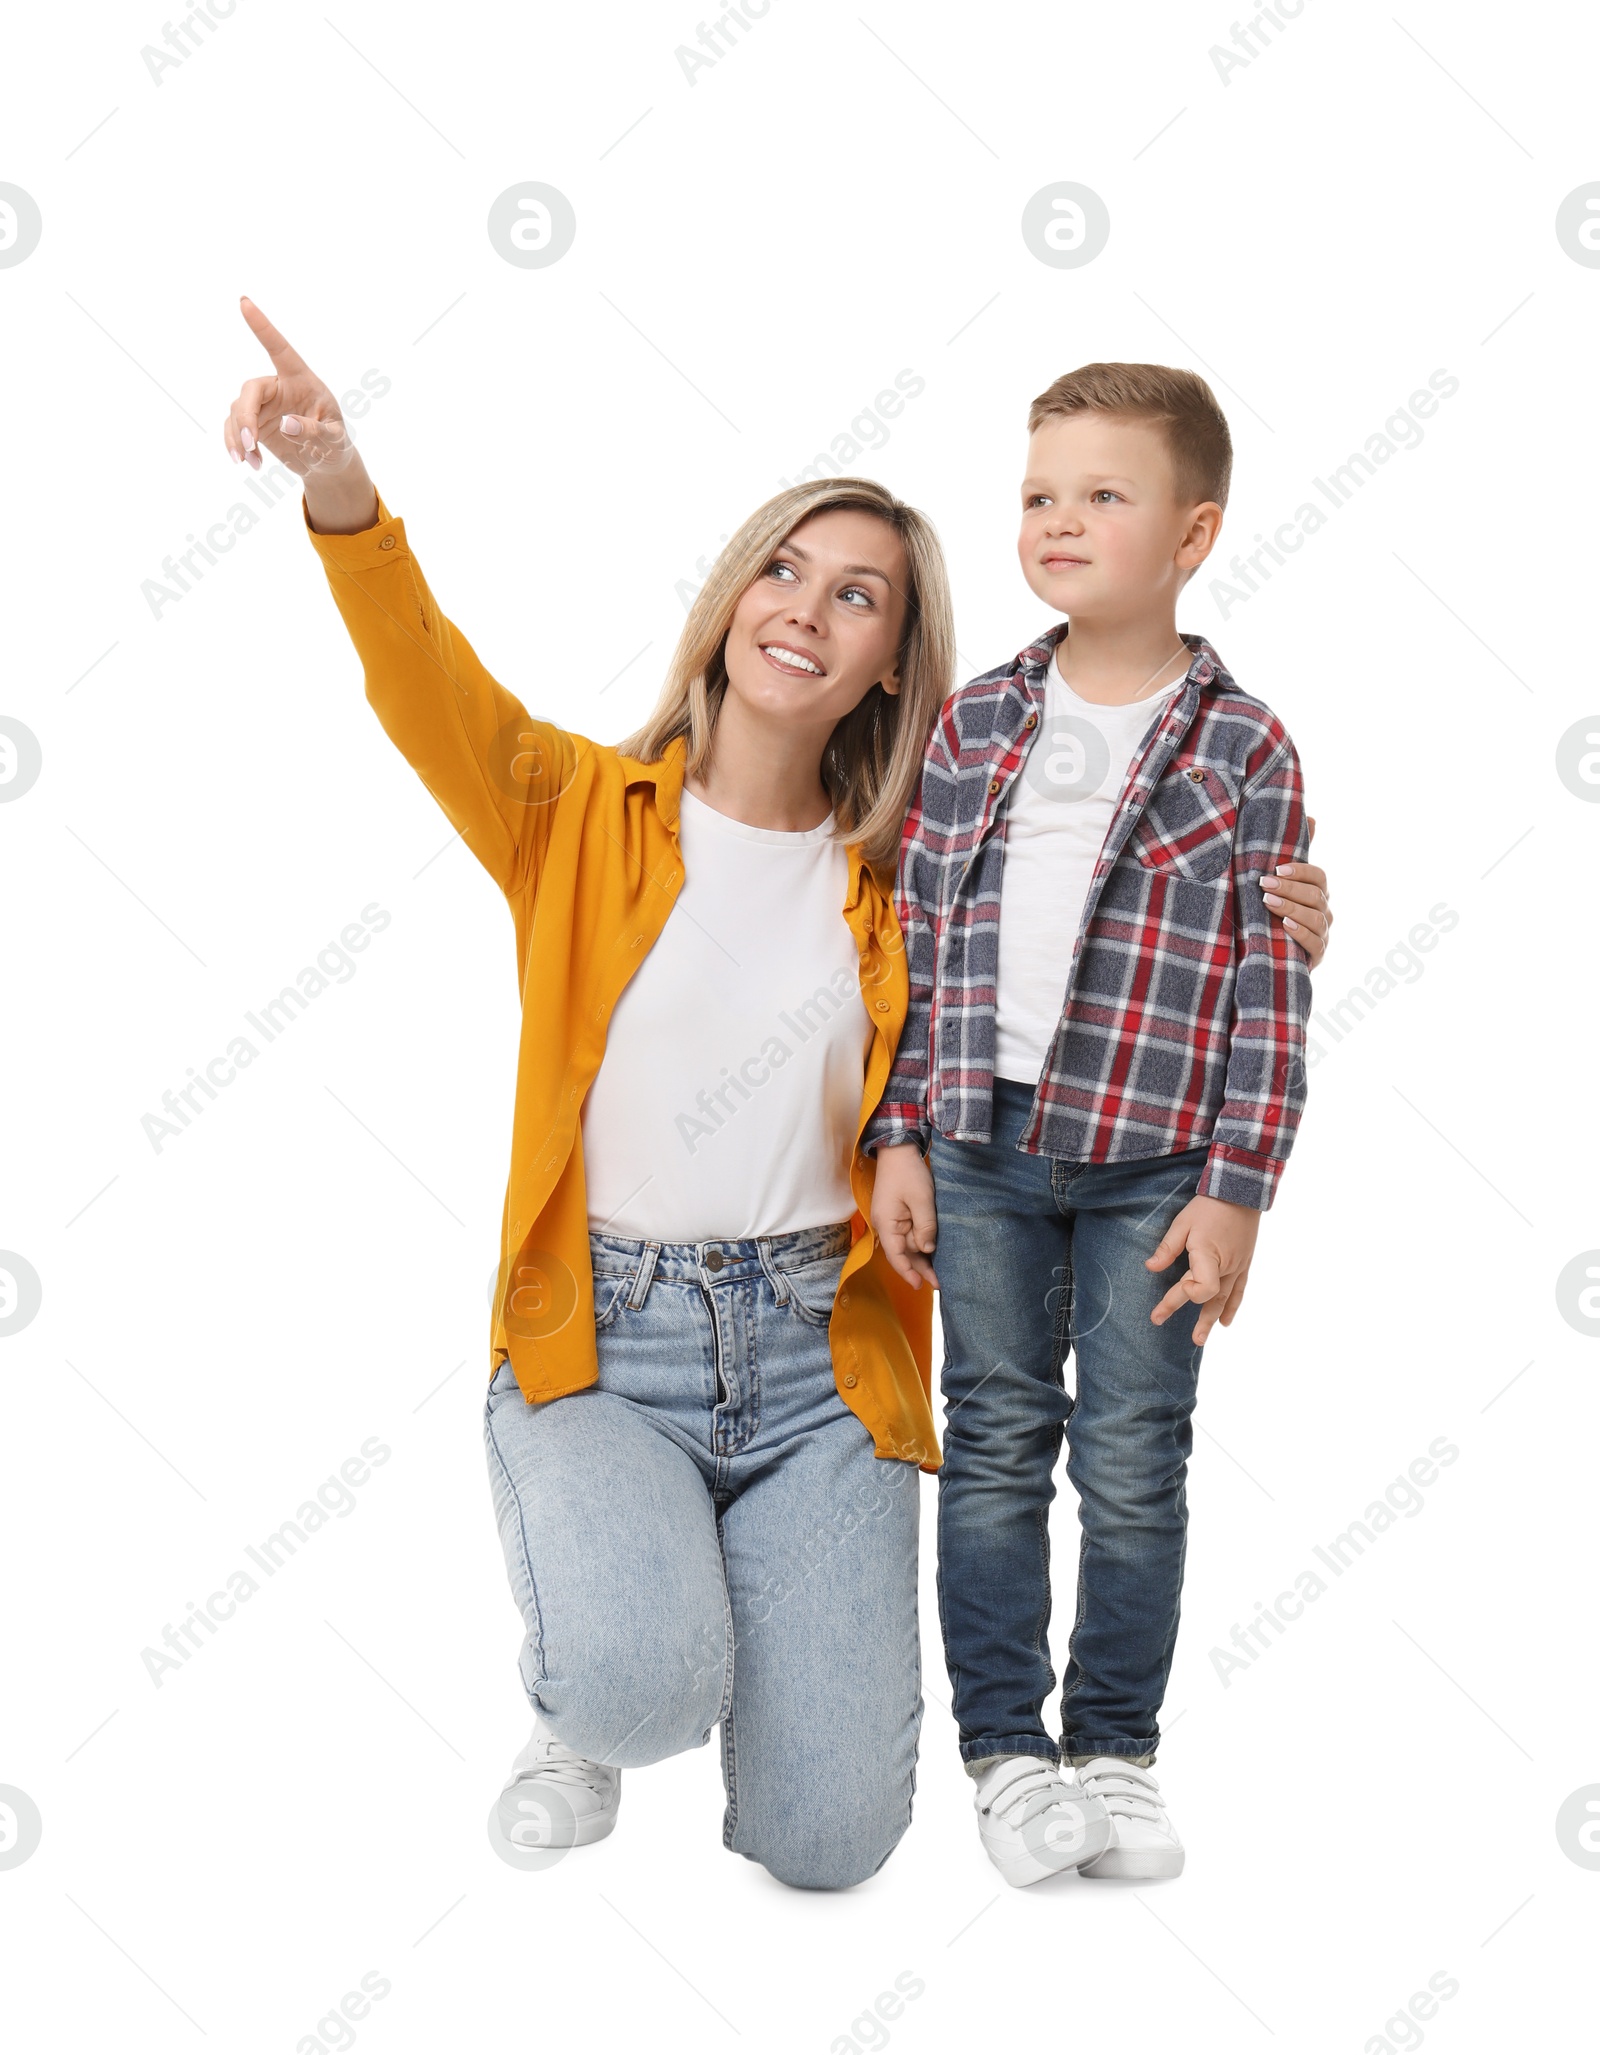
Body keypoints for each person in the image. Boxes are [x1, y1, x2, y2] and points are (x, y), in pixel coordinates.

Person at [221, 309, 1333, 1891]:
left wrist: (1279, 909)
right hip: (604, 1344)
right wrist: (338, 477)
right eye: (784, 571)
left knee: (830, 1848)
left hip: (826, 1362)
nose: (807, 610)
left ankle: (710, 1607)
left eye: (858, 594)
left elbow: (1080, 920)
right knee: (641, 1685)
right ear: (733, 596)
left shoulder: (913, 870)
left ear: (895, 661)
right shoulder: (570, 814)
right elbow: (418, 678)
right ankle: (589, 1693)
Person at [868, 363, 1320, 1886]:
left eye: (1102, 496)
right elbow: (919, 943)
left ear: (1193, 533)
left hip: (1157, 1171)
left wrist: (1239, 1185)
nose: (1059, 521)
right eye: (1039, 495)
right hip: (985, 1154)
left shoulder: (1245, 747)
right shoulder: (976, 719)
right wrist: (901, 1135)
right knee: (996, 1444)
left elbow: (1272, 983)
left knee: (1136, 1458)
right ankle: (1006, 1753)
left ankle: (1114, 1749)